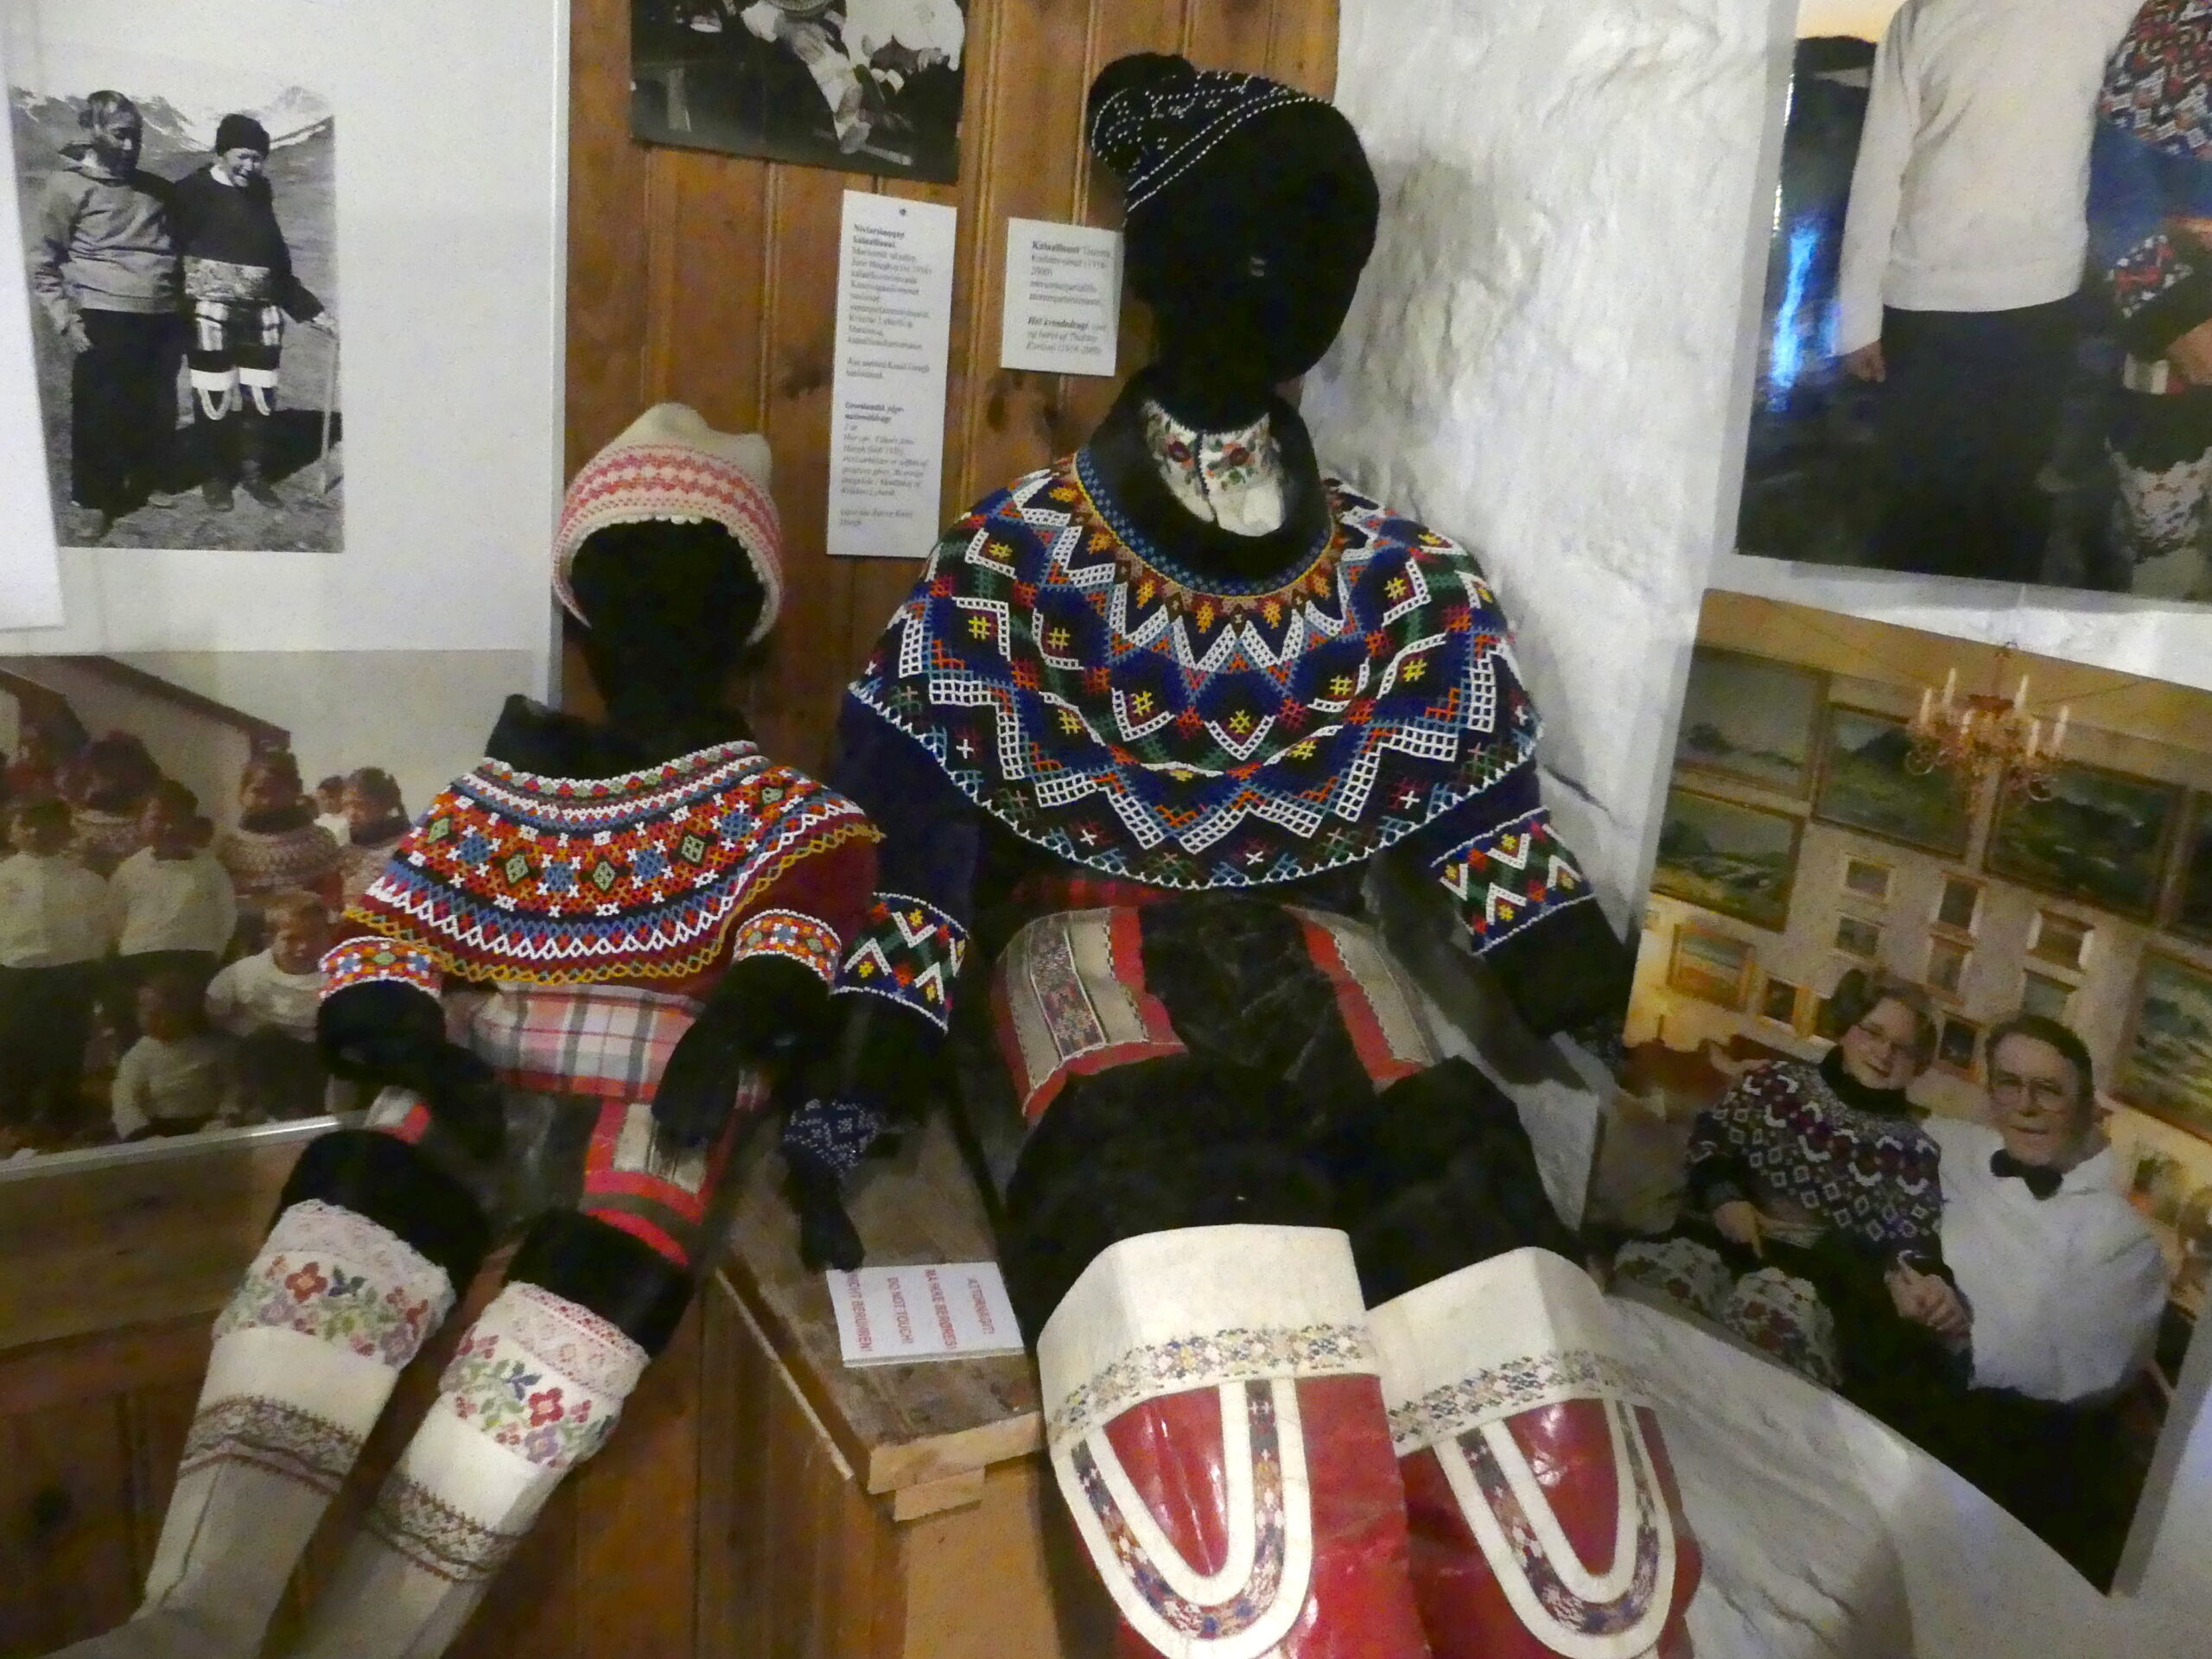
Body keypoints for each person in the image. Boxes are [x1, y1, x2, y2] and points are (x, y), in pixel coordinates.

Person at [1833, 0, 2140, 582]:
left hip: (2042, 295)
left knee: (2012, 498)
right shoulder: (1923, 12)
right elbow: (1880, 164)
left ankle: (1991, 631)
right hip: (1924, 296)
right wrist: (1858, 318)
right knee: (1920, 502)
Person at [1894, 1014, 2166, 1584]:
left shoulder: (2124, 1239)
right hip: (1897, 1373)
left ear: (2086, 1107)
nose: (2026, 1106)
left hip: (2014, 1441)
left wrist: (1959, 1334)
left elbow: (2088, 1373)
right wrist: (1897, 1274)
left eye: (2048, 1090)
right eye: (2009, 1084)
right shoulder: (1952, 1147)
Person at [1616, 971, 1948, 1395]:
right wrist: (1725, 1199)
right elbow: (1711, 1143)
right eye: (1873, 1032)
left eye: (1903, 1048)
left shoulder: (1914, 1151)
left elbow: (1914, 1241)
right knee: (1665, 1284)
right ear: (1847, 1028)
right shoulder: (1772, 1082)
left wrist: (1925, 1280)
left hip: (1818, 1283)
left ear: (1918, 1064)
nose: (1884, 1053)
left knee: (1770, 1323)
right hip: (1719, 1239)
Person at [2089, 0, 2212, 601]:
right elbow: (2117, 196)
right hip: (2189, 332)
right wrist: (2180, 322)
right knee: (2165, 568)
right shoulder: (2180, 20)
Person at [29, 90, 181, 541]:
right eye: (120, 134)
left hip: (162, 313)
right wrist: (65, 318)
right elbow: (43, 262)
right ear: (92, 130)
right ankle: (92, 498)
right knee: (100, 411)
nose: (131, 145)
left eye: (136, 135)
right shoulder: (66, 188)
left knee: (154, 404)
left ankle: (144, 476)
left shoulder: (155, 190)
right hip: (104, 313)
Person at [168, 113, 336, 511]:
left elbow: (278, 267)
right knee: (213, 396)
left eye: (258, 158)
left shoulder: (261, 193)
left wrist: (313, 313)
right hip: (209, 316)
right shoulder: (190, 191)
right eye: (242, 156)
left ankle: (253, 472)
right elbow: (169, 255)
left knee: (260, 396)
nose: (250, 165)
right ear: (222, 152)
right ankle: (215, 476)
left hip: (262, 318)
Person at [0, 799, 111, 1144]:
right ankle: (13, 1115)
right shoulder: (3, 877)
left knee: (65, 1043)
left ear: (66, 831)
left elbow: (100, 927)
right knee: (13, 1044)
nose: (37, 832)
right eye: (27, 824)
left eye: (48, 824)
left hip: (70, 972)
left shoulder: (85, 880)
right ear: (11, 830)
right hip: (16, 971)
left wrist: (88, 965)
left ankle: (60, 1115)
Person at [108, 780, 237, 1040]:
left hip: (195, 959)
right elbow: (115, 917)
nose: (169, 827)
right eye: (158, 819)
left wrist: (211, 953)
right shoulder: (129, 870)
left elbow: (225, 915)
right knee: (142, 1032)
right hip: (141, 960)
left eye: (178, 819)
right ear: (140, 823)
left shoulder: (209, 868)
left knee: (194, 1032)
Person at [204, 887, 330, 1121]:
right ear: (269, 940)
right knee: (262, 1041)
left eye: (314, 936)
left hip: (319, 1053)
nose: (304, 947)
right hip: (269, 1055)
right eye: (292, 938)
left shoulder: (340, 972)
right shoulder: (244, 973)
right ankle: (273, 1110)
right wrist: (244, 1028)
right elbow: (216, 1012)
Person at [215, 749, 342, 945]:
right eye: (258, 791)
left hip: (305, 941)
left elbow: (332, 896)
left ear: (297, 790)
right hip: (247, 940)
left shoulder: (319, 841)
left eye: (278, 791)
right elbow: (223, 900)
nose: (268, 800)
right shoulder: (231, 846)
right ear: (242, 792)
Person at [110, 969, 238, 1141]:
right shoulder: (137, 1056)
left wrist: (224, 1118)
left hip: (209, 1126)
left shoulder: (212, 1048)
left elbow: (233, 1087)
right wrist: (143, 1135)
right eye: (153, 1016)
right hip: (156, 1131)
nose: (163, 1023)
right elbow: (125, 1100)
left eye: (170, 1015)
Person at [335, 766, 409, 906]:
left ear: (384, 804)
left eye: (360, 805)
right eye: (346, 805)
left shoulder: (406, 849)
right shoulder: (346, 851)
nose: (352, 814)